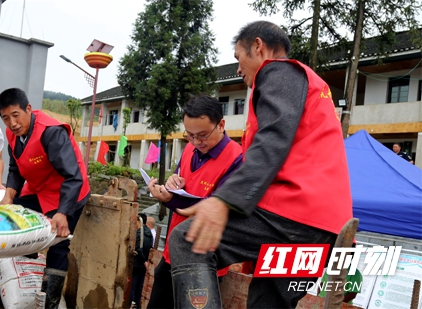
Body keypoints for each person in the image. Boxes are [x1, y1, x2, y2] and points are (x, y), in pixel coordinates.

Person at [167, 21, 353, 309]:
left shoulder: (280, 72)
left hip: (293, 213)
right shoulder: (311, 86)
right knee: (267, 304)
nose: (239, 69)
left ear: (258, 46)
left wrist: (223, 201)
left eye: (239, 58)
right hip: (323, 227)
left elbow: (273, 139)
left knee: (187, 239)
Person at [0, 87, 90, 309]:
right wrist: (9, 196)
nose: (12, 123)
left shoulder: (51, 133)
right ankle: (29, 255)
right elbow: (15, 168)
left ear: (28, 109)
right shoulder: (13, 134)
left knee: (58, 242)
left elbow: (73, 176)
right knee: (15, 212)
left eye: (16, 115)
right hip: (41, 189)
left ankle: (50, 301)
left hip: (70, 192)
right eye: (6, 118)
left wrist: (63, 213)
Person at [146, 95, 243, 309]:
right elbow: (181, 178)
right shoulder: (190, 148)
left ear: (221, 125)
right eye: (190, 135)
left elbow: (216, 211)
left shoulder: (237, 159)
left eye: (202, 135)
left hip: (203, 262)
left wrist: (170, 199)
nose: (197, 142)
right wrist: (173, 181)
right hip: (173, 253)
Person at [131, 213, 154, 309]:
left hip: (137, 263)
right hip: (143, 266)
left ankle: (131, 305)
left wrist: (143, 260)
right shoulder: (149, 233)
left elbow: (138, 248)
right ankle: (137, 305)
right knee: (139, 287)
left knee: (132, 286)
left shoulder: (139, 232)